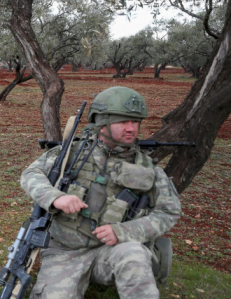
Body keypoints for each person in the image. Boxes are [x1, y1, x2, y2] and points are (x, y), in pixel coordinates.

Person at [21, 86, 181, 299]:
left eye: (135, 122)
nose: (131, 128)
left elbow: (168, 212)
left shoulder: (148, 169)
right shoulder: (71, 154)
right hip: (65, 252)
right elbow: (31, 174)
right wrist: (56, 197)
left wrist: (124, 231)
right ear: (102, 123)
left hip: (113, 251)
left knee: (134, 253)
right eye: (123, 121)